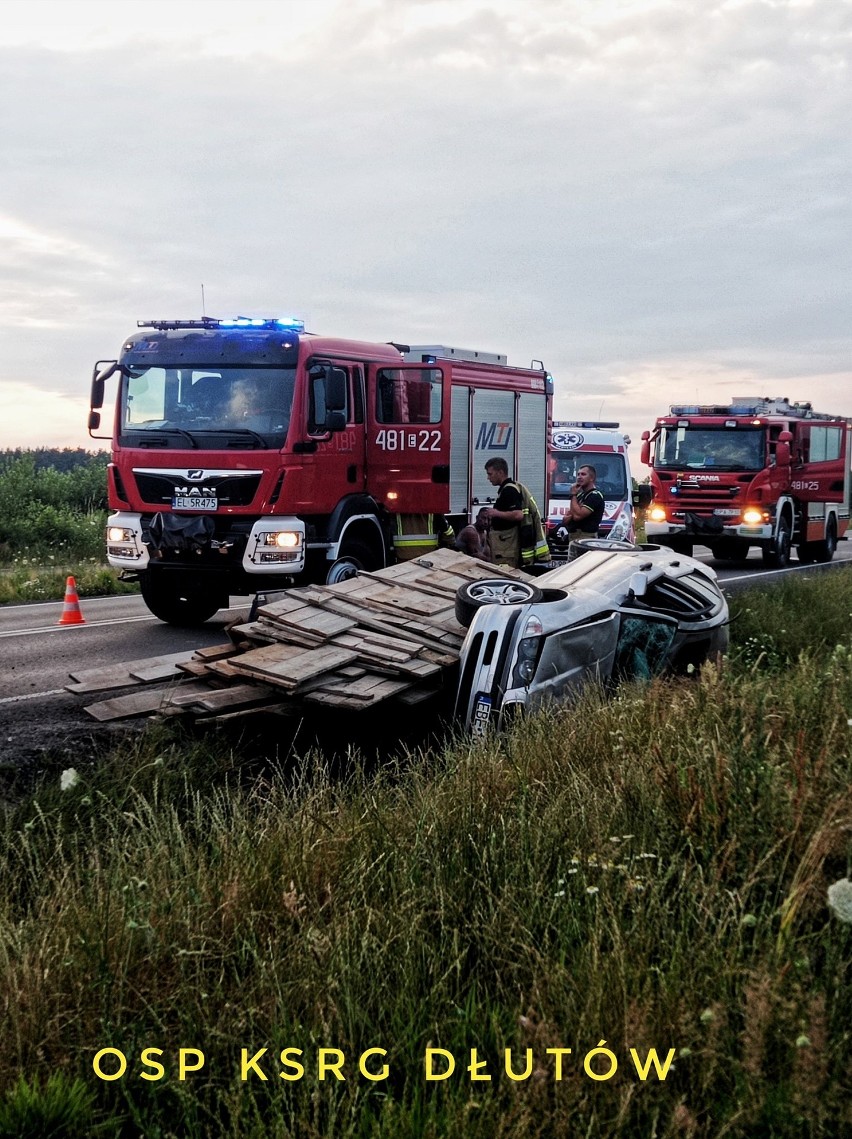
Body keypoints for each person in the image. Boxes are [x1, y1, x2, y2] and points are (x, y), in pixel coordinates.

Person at [483, 457, 526, 567]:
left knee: (505, 574)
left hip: (506, 546)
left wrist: (496, 513)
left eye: (490, 474)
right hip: (502, 545)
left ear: (500, 472)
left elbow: (518, 514)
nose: (488, 478)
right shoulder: (505, 489)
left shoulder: (509, 490)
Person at [557, 464, 606, 544]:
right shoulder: (580, 495)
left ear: (591, 478)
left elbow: (577, 516)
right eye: (578, 474)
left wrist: (573, 495)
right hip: (573, 536)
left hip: (586, 538)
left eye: (583, 474)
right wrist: (567, 519)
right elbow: (569, 515)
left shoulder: (595, 495)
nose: (579, 477)